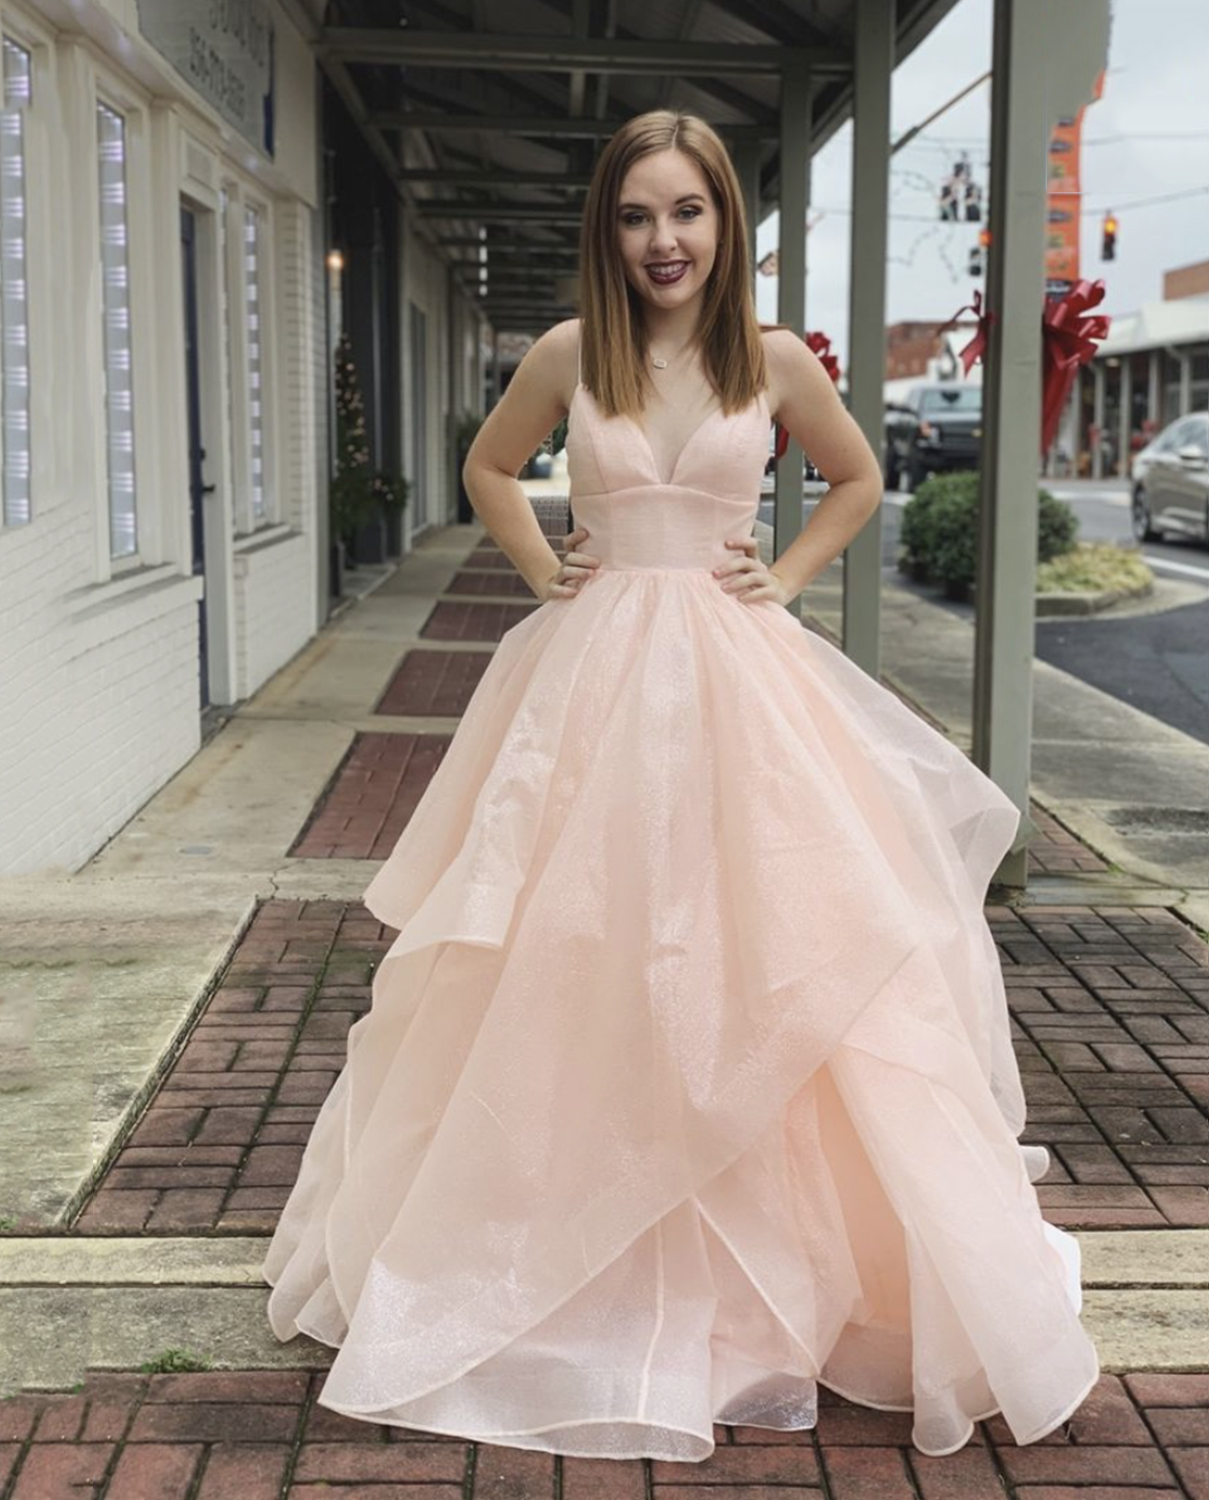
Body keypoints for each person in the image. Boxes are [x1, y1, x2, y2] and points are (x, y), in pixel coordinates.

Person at [262, 108, 1100, 1463]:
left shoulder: (771, 361)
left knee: (758, 945)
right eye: (639, 213)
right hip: (590, 678)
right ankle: (566, 1239)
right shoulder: (567, 354)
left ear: (725, 222)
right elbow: (488, 467)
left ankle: (761, 1259)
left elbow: (856, 477)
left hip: (734, 676)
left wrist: (789, 574)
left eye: (688, 211)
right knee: (575, 945)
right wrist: (546, 567)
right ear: (610, 228)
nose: (665, 239)